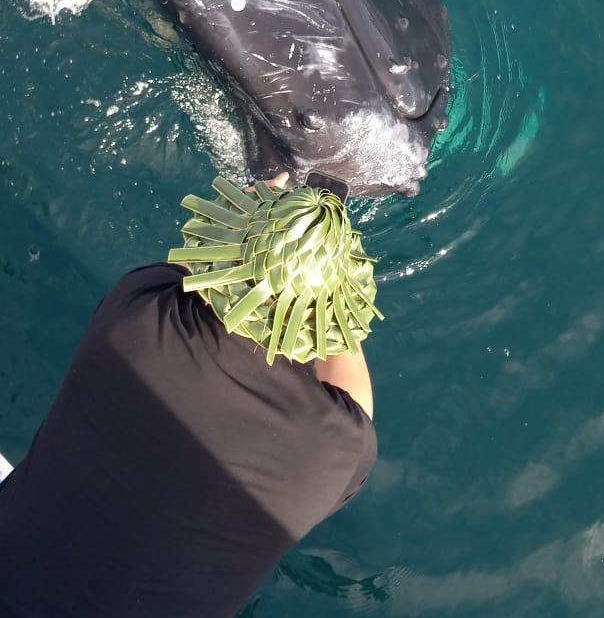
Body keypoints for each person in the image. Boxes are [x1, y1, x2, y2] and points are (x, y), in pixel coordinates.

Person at [0, 173, 381, 618]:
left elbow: (191, 266)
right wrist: (323, 281)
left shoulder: (135, 311)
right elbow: (349, 383)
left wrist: (260, 216)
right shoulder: (340, 447)